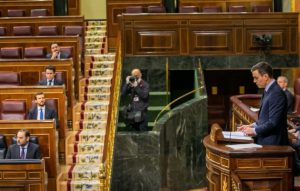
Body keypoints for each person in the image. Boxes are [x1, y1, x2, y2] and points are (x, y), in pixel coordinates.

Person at [238, 61, 288, 145]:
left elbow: (273, 123)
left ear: (265, 76)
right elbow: (265, 117)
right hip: (266, 139)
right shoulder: (268, 89)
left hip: (273, 143)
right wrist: (252, 126)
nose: (254, 81)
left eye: (256, 78)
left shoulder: (276, 93)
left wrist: (254, 131)